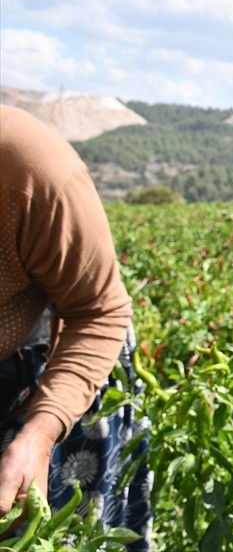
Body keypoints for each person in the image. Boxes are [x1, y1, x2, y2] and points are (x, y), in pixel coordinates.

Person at [0, 105, 152, 549]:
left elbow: (97, 310)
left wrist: (40, 433)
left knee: (53, 527)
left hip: (57, 358)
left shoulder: (31, 169)